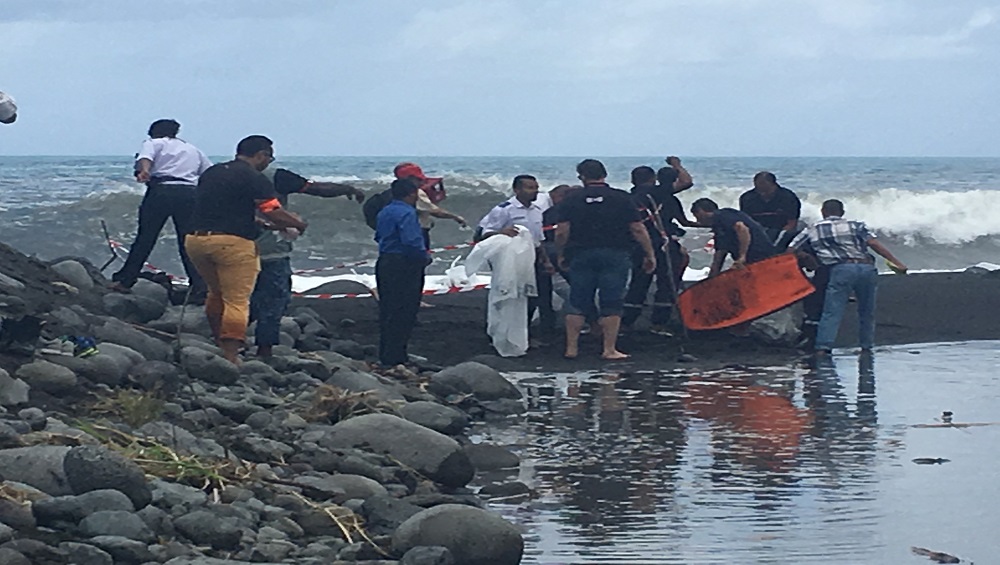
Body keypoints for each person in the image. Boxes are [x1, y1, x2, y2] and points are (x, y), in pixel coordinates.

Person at [185, 135, 307, 364]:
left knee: (216, 293)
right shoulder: (254, 177)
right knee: (237, 301)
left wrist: (258, 222)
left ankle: (218, 341)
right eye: (269, 157)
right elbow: (271, 209)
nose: (269, 162)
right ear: (260, 154)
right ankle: (232, 356)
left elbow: (223, 207)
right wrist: (296, 223)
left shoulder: (212, 172)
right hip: (232, 244)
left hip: (196, 240)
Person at [250, 167, 365, 358]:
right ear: (263, 155)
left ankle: (230, 344)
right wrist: (347, 189)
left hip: (234, 246)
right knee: (275, 299)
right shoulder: (275, 176)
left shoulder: (223, 174)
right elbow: (315, 188)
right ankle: (265, 349)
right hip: (270, 250)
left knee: (238, 298)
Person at [555, 159, 656, 360]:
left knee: (578, 300)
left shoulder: (572, 199)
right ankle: (609, 349)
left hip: (581, 253)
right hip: (615, 254)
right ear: (604, 175)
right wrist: (650, 253)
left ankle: (571, 349)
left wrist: (560, 254)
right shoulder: (621, 198)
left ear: (582, 176)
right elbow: (637, 228)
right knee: (612, 300)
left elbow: (562, 231)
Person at [787, 199, 907, 355]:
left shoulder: (812, 229)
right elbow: (874, 244)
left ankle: (823, 347)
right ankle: (866, 345)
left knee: (832, 310)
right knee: (867, 310)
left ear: (823, 212)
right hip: (865, 267)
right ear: (842, 212)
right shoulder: (856, 225)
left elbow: (790, 249)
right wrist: (896, 262)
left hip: (841, 269)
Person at [111, 119, 212, 299]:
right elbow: (209, 173)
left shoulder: (153, 143)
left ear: (153, 132)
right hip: (189, 193)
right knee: (187, 241)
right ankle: (199, 285)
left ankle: (126, 280)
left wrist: (144, 171)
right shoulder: (192, 149)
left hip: (162, 190)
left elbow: (145, 158)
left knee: (146, 237)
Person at [477, 174, 556, 336]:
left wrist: (546, 261)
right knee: (514, 296)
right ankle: (504, 331)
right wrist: (501, 232)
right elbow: (483, 235)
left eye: (536, 188)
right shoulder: (504, 210)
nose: (534, 191)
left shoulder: (537, 211)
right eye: (529, 188)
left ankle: (532, 332)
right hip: (513, 260)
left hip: (534, 258)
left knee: (539, 296)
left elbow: (538, 239)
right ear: (517, 190)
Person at [622, 166, 697, 335]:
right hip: (663, 243)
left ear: (633, 180)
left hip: (638, 245)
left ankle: (627, 321)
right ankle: (659, 323)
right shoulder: (661, 193)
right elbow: (686, 183)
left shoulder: (630, 198)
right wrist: (676, 163)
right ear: (653, 179)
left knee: (638, 282)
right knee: (667, 282)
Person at [375, 178, 430, 366]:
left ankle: (387, 353)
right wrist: (424, 257)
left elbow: (378, 236)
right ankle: (398, 355)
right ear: (412, 194)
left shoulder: (385, 211)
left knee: (387, 309)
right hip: (404, 263)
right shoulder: (407, 213)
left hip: (385, 260)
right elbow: (412, 241)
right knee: (405, 310)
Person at [691, 198, 777, 277]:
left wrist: (742, 257)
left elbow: (742, 228)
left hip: (760, 254)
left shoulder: (723, 215)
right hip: (750, 261)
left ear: (701, 211)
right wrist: (712, 276)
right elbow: (720, 253)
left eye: (697, 216)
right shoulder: (718, 228)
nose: (698, 221)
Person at [392, 162, 466, 249]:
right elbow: (435, 211)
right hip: (418, 232)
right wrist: (456, 217)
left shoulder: (395, 192)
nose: (421, 182)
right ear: (410, 178)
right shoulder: (416, 193)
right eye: (418, 179)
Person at [739, 171, 802, 249]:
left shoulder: (788, 197)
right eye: (757, 186)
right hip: (757, 231)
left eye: (763, 185)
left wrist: (776, 239)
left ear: (773, 184)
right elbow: (745, 221)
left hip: (782, 230)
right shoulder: (747, 198)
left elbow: (792, 223)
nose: (760, 190)